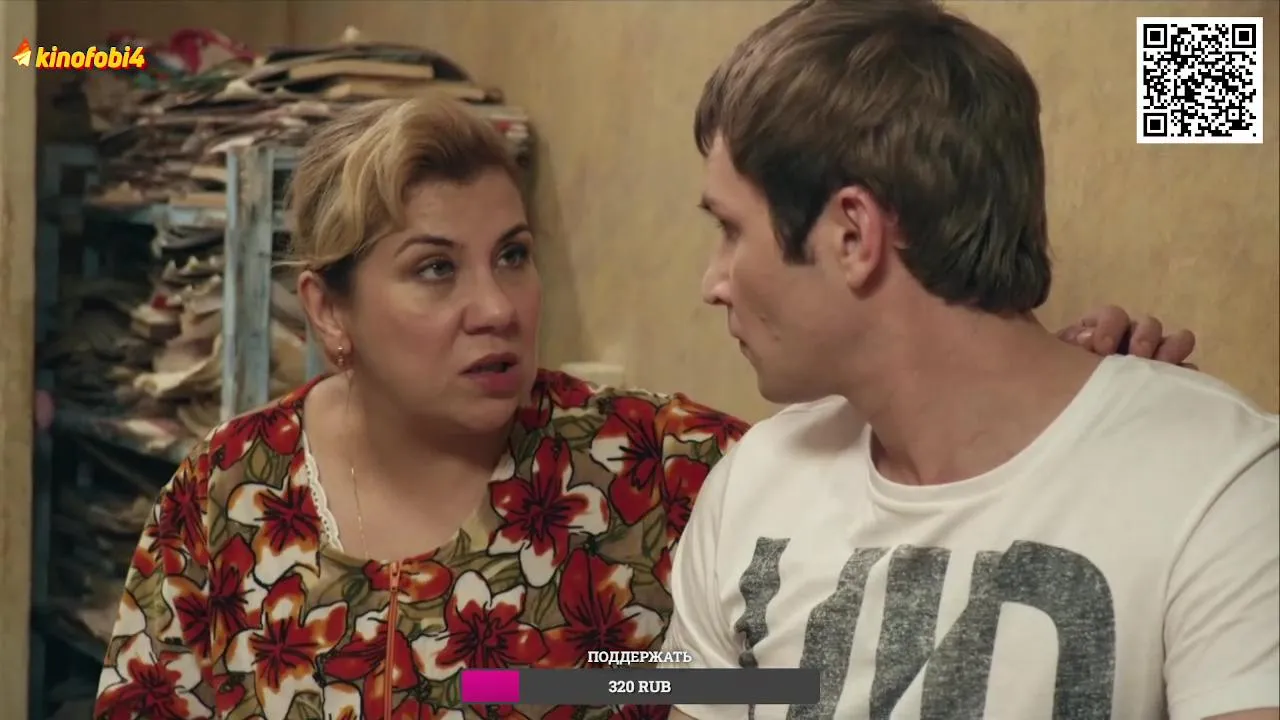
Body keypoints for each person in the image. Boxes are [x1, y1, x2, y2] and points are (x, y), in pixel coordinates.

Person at [91, 92, 1198, 720]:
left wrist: (1058, 385)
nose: (497, 307)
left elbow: (918, 471)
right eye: (434, 269)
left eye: (513, 255)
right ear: (328, 309)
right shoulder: (228, 497)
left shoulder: (649, 463)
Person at [662, 2, 1279, 720]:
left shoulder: (1219, 488)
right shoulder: (753, 482)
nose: (713, 283)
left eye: (731, 229)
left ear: (852, 235)